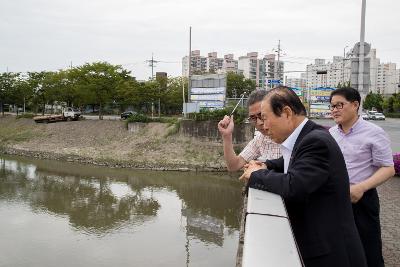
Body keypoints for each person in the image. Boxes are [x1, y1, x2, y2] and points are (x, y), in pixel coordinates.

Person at [240, 86, 367, 267]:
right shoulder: (307, 136)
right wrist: (267, 164)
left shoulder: (315, 141)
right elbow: (292, 162)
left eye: (265, 118)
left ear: (286, 113)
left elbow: (295, 186)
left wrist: (256, 174)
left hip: (331, 254)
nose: (264, 127)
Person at [329, 87, 395, 267]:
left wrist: (361, 187)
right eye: (332, 106)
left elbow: (388, 168)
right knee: (340, 249)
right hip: (335, 199)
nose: (334, 109)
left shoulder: (373, 132)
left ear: (355, 105)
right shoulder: (331, 134)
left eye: (339, 105)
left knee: (368, 251)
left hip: (362, 200)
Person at [217, 90, 281, 171]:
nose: (259, 122)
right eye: (253, 118)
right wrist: (227, 135)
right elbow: (234, 166)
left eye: (262, 115)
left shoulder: (293, 136)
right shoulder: (261, 139)